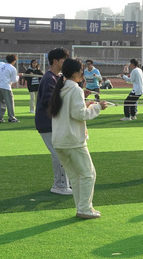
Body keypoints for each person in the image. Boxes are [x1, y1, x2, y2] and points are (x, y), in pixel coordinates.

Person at [49, 58, 108, 219]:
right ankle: (84, 208)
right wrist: (97, 107)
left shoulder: (61, 89)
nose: (83, 74)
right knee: (89, 174)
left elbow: (73, 111)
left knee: (76, 177)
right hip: (72, 140)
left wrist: (86, 103)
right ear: (75, 73)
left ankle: (82, 208)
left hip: (60, 141)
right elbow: (79, 114)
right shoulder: (74, 89)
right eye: (81, 71)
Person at [35, 48, 73, 195]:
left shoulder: (56, 77)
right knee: (60, 153)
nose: (65, 62)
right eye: (63, 59)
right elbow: (50, 101)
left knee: (60, 153)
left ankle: (63, 183)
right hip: (47, 123)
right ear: (55, 61)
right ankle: (60, 185)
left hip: (52, 122)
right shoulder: (49, 78)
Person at [0, 54, 22, 123]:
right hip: (6, 86)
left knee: (2, 102)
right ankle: (11, 117)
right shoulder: (12, 68)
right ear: (14, 60)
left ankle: (0, 116)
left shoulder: (2, 66)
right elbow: (14, 80)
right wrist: (19, 76)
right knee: (10, 102)